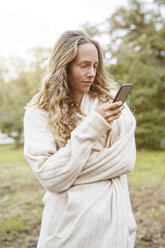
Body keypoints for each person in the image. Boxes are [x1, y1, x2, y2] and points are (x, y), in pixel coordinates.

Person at [24, 30, 136, 248]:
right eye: (84, 65)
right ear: (64, 66)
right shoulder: (39, 113)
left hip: (115, 224)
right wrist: (92, 127)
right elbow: (49, 176)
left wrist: (71, 169)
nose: (92, 73)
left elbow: (125, 160)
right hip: (67, 227)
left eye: (95, 66)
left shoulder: (109, 104)